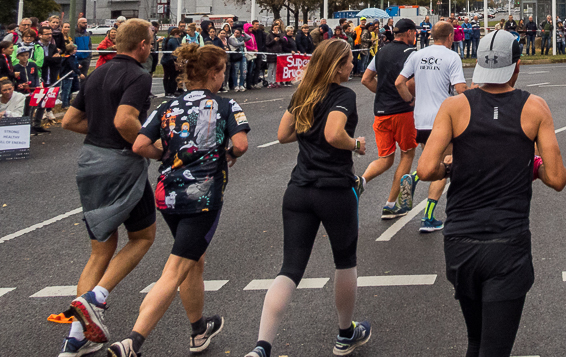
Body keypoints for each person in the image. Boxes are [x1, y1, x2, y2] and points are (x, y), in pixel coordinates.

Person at [418, 28, 566, 357]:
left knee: (476, 341)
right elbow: (557, 178)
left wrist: (455, 167)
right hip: (507, 245)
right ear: (517, 66)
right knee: (495, 349)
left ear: (480, 65)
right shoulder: (534, 107)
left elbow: (426, 170)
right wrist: (533, 166)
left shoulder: (454, 107)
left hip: (461, 243)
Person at [105, 43, 250, 357]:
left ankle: (198, 330)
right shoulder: (226, 105)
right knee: (174, 270)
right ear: (213, 74)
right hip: (203, 196)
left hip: (167, 193)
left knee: (193, 261)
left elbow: (141, 144)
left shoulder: (167, 106)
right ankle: (133, 341)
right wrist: (228, 154)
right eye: (222, 71)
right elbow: (241, 143)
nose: (224, 77)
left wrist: (165, 156)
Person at [245, 39, 371, 357]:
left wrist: (307, 130)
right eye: (348, 61)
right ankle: (345, 333)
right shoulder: (343, 95)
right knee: (345, 261)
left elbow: (283, 134)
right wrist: (355, 144)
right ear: (337, 65)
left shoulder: (304, 92)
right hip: (335, 190)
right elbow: (333, 133)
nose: (353, 66)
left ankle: (262, 346)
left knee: (290, 269)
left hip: (299, 189)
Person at [58, 20, 158, 357]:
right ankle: (95, 297)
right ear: (142, 45)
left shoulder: (96, 74)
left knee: (100, 249)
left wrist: (99, 130)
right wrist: (151, 147)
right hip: (121, 165)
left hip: (90, 162)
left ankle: (76, 337)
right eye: (151, 42)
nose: (152, 47)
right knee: (143, 237)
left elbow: (69, 121)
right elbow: (124, 121)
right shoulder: (139, 76)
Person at [398, 20, 467, 233]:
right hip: (442, 118)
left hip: (421, 119)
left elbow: (399, 82)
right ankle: (426, 211)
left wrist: (411, 100)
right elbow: (460, 89)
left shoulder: (417, 55)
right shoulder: (451, 56)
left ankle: (418, 183)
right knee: (445, 164)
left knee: (433, 161)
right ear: (450, 36)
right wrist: (474, 95)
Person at [361, 18, 420, 219]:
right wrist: (410, 99)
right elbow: (410, 83)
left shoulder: (381, 52)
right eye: (415, 33)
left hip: (381, 112)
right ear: (410, 33)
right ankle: (391, 203)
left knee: (385, 158)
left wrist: (383, 91)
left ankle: (361, 180)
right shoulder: (412, 53)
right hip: (402, 111)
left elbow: (365, 79)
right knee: (407, 154)